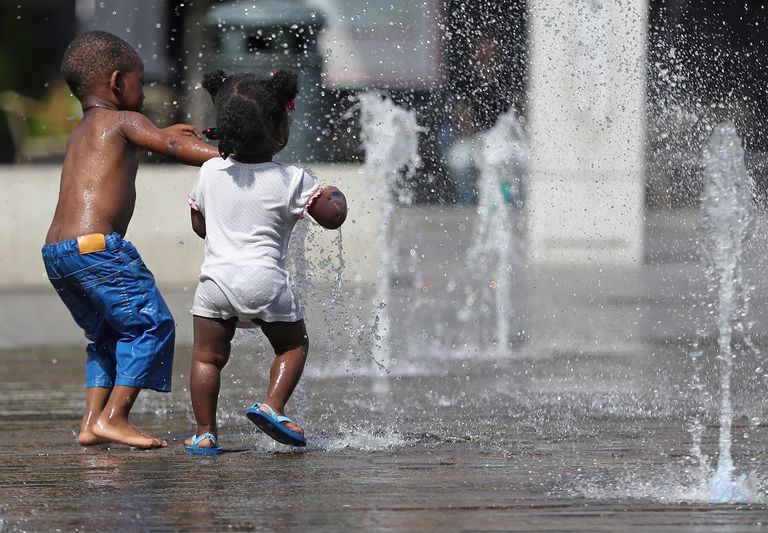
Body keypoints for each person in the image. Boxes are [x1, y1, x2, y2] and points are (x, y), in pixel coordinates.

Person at [41, 31, 220, 449]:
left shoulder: (83, 132)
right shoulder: (125, 121)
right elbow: (171, 145)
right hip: (99, 249)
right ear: (118, 82)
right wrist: (231, 156)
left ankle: (92, 422)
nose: (143, 91)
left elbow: (146, 142)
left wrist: (159, 132)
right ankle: (116, 417)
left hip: (58, 254)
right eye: (141, 81)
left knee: (107, 334)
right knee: (151, 325)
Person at [184, 69, 347, 455]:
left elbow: (199, 224)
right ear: (279, 131)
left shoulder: (210, 170)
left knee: (207, 358)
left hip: (214, 284)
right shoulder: (292, 178)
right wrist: (334, 194)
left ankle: (205, 433)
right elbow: (331, 218)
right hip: (265, 282)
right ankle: (273, 405)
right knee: (292, 345)